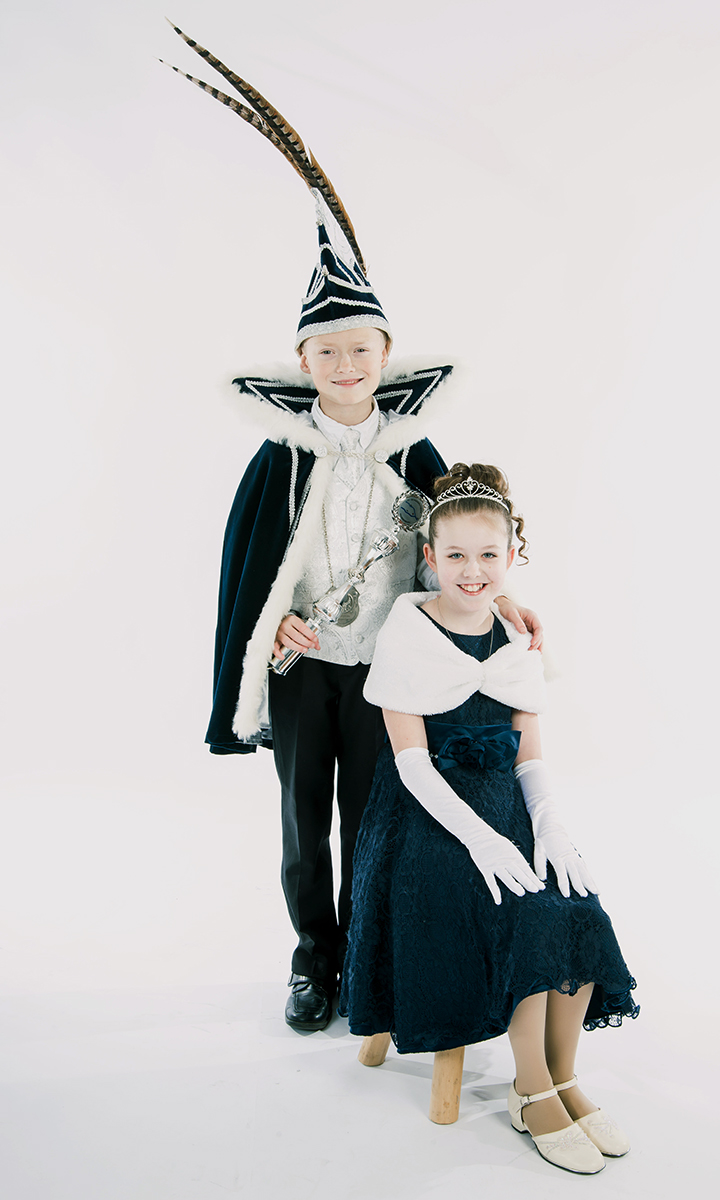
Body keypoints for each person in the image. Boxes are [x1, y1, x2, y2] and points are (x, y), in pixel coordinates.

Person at [161, 26, 543, 1033]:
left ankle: (372, 955)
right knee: (303, 824)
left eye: (359, 348)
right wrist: (270, 626)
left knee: (378, 815)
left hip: (386, 666)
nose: (344, 366)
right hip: (302, 666)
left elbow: (463, 536)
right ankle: (313, 959)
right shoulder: (277, 460)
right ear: (303, 361)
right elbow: (247, 569)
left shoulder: (416, 452)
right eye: (325, 351)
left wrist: (501, 597)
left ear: (384, 354)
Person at [340, 463, 638, 1176]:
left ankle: (562, 1077)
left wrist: (550, 826)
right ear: (430, 557)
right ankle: (530, 1089)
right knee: (520, 914)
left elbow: (529, 755)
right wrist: (479, 840)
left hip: (502, 799)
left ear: (511, 557)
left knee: (576, 906)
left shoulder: (516, 635)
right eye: (455, 555)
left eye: (487, 555)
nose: (472, 572)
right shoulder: (407, 633)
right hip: (425, 814)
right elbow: (411, 764)